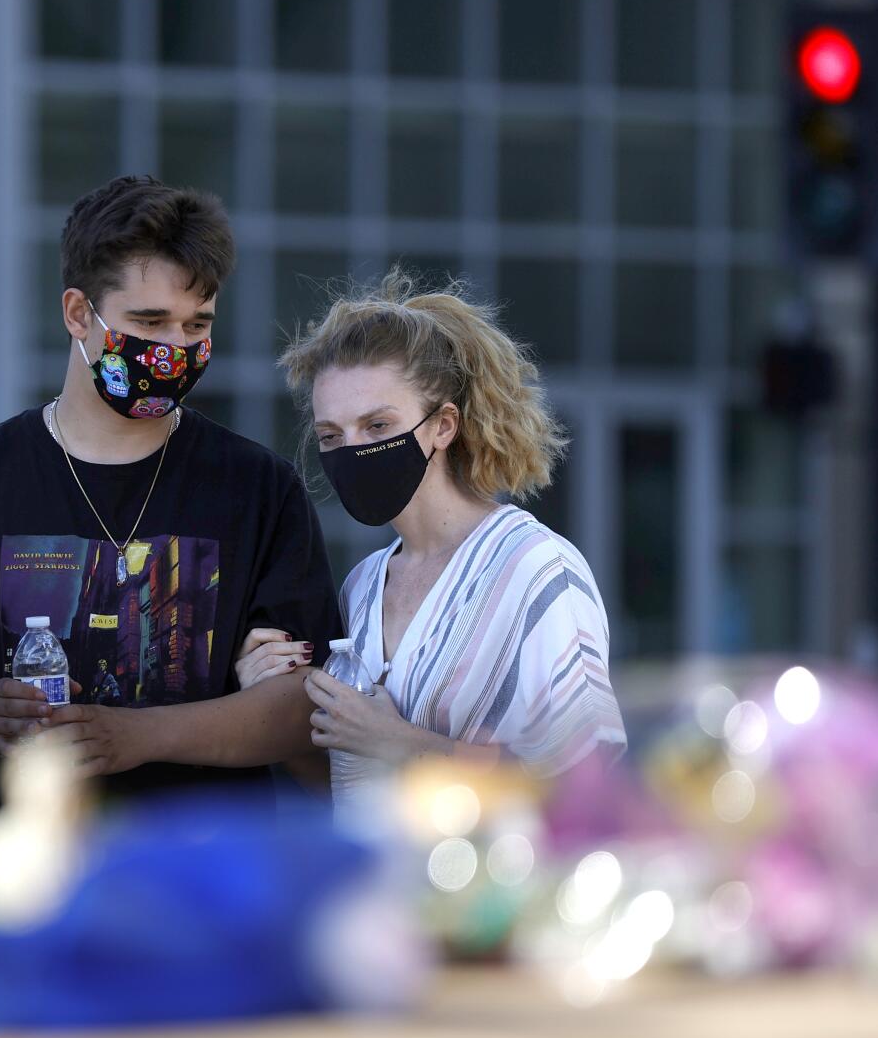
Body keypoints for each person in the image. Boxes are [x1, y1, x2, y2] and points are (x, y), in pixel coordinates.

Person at [0, 175, 342, 837]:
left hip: (204, 891)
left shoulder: (260, 490)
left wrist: (140, 735)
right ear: (76, 313)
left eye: (197, 324)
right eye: (149, 322)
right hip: (5, 890)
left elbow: (301, 713)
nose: (175, 347)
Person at [234, 270, 625, 808]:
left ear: (443, 425)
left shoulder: (538, 571)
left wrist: (403, 744)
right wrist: (270, 701)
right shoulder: (362, 587)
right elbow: (347, 789)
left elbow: (589, 788)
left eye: (377, 426)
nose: (351, 450)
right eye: (331, 435)